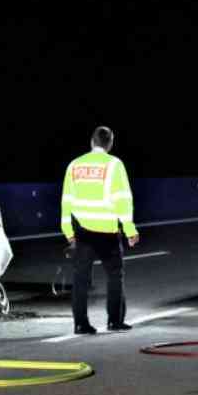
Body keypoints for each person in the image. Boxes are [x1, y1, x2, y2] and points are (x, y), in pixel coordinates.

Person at [61, 126, 139, 334]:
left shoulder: (74, 165)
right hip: (107, 232)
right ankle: (114, 321)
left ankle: (80, 324)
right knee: (115, 276)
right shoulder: (115, 165)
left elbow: (66, 201)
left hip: (83, 231)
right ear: (110, 144)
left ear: (92, 141)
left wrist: (68, 233)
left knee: (81, 280)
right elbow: (123, 200)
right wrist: (130, 230)